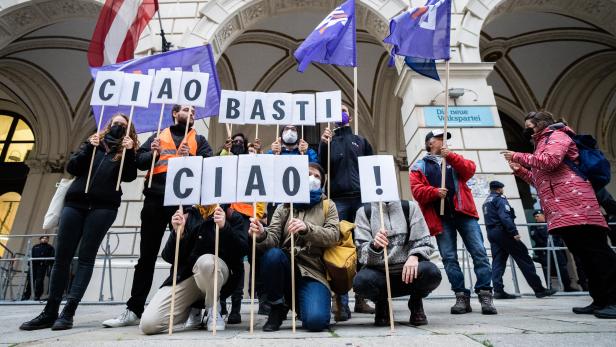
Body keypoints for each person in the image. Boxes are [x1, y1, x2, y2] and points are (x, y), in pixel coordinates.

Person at [20, 114, 138, 330]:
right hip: (75, 204)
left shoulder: (126, 152)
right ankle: (50, 310)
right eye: (115, 123)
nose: (118, 127)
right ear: (108, 125)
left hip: (103, 207)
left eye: (123, 125)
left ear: (129, 131)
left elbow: (129, 176)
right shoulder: (93, 143)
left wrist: (129, 152)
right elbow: (73, 168)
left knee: (86, 257)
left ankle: (69, 311)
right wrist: (88, 148)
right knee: (62, 257)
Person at [103, 105, 213, 328]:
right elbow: (138, 162)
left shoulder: (199, 140)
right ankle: (134, 308)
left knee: (183, 256)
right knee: (147, 256)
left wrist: (190, 157)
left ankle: (184, 308)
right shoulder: (157, 136)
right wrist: (151, 153)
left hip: (182, 203)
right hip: (154, 199)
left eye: (193, 111)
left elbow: (210, 167)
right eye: (185, 109)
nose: (191, 113)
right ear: (174, 113)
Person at [503, 110, 616, 319]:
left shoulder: (557, 136)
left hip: (579, 207)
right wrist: (520, 170)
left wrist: (518, 155)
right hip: (562, 211)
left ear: (541, 125)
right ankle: (599, 300)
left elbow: (550, 161)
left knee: (598, 254)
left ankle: (613, 300)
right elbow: (540, 182)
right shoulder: (540, 145)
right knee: (583, 256)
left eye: (529, 126)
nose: (526, 131)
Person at [410, 129, 497, 315]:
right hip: (441, 219)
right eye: (439, 138)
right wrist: (434, 192)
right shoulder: (419, 167)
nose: (443, 141)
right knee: (449, 258)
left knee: (479, 252)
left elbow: (469, 170)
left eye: (445, 139)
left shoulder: (454, 159)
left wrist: (451, 157)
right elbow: (417, 191)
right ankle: (460, 296)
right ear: (429, 143)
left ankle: (485, 293)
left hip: (464, 214)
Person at [248, 163, 339, 332]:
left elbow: (333, 235)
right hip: (286, 266)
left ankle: (304, 305)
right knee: (272, 256)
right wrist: (261, 234)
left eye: (317, 176)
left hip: (313, 272)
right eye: (308, 174)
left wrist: (307, 229)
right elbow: (273, 238)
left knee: (316, 322)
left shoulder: (328, 206)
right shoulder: (284, 206)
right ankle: (277, 307)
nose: (312, 178)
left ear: (323, 182)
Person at [139, 205, 247, 334]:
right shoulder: (187, 215)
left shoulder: (231, 216)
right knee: (149, 324)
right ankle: (191, 309)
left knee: (207, 262)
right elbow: (168, 257)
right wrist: (178, 234)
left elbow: (241, 252)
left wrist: (225, 228)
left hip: (218, 275)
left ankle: (213, 308)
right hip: (189, 276)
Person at [319, 104, 375, 320]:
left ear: (349, 116)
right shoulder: (328, 142)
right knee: (339, 249)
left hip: (361, 200)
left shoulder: (361, 141)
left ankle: (362, 298)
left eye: (343, 109)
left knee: (363, 246)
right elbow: (322, 168)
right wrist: (324, 144)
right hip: (339, 201)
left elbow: (372, 168)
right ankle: (341, 302)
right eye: (336, 110)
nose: (340, 113)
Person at [353, 200, 442, 326]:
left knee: (431, 272)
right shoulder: (363, 212)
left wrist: (414, 256)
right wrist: (374, 246)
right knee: (360, 282)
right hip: (380, 274)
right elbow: (361, 255)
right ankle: (382, 303)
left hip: (408, 272)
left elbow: (425, 241)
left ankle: (416, 302)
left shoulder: (410, 207)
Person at [216, 132, 265, 324]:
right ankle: (220, 304)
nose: (237, 144)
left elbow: (260, 191)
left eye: (240, 142)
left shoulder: (249, 164)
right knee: (221, 257)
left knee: (238, 260)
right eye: (234, 142)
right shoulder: (225, 158)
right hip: (224, 215)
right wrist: (224, 150)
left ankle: (236, 307)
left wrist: (256, 215)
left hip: (243, 217)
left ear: (245, 146)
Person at [483, 181, 556, 299]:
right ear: (499, 189)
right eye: (502, 188)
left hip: (492, 233)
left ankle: (498, 290)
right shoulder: (500, 199)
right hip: (503, 232)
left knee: (498, 261)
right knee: (524, 257)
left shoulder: (486, 201)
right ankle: (539, 289)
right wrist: (514, 232)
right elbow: (505, 216)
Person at [529, 210, 577, 292]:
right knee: (546, 268)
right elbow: (535, 237)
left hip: (556, 248)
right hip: (544, 250)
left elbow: (558, 235)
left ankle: (567, 286)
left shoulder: (551, 223)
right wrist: (546, 244)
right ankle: (549, 287)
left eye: (538, 216)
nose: (536, 218)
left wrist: (557, 244)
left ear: (543, 215)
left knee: (562, 266)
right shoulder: (534, 226)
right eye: (535, 217)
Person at [23, 236, 55, 301]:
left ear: (48, 240)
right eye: (43, 238)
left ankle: (37, 296)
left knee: (39, 281)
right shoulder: (35, 247)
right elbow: (31, 255)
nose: (44, 239)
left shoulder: (50, 248)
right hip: (33, 266)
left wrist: (47, 264)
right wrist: (29, 264)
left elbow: (52, 257)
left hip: (42, 266)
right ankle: (26, 295)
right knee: (30, 280)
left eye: (46, 238)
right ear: (40, 239)